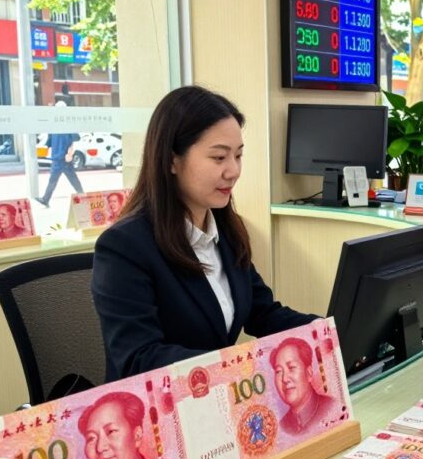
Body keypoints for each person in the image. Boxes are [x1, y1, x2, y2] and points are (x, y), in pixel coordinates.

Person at [92, 86, 318, 381]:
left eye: (238, 156)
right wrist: (238, 366)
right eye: (219, 158)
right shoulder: (124, 247)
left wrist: (326, 331)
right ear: (172, 160)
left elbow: (263, 314)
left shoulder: (226, 229)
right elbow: (140, 358)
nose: (233, 170)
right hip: (162, 414)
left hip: (216, 401)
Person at [270, 337, 338, 435]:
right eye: (278, 371)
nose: (284, 379)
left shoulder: (332, 407)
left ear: (309, 373)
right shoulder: (281, 428)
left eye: (291, 367)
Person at [36, 103, 84, 208]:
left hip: (64, 158)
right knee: (61, 179)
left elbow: (74, 140)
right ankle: (45, 199)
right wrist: (42, 148)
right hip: (57, 159)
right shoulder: (53, 126)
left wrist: (69, 153)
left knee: (71, 179)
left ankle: (46, 199)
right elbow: (49, 142)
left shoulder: (68, 125)